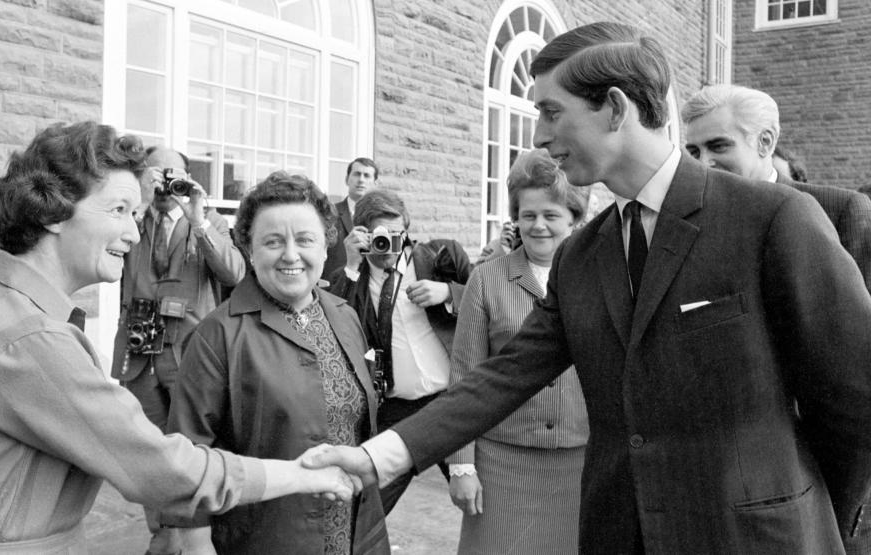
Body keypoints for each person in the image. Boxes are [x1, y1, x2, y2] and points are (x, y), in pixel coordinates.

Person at [304, 21, 871, 554]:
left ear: (616, 108)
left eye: (552, 112)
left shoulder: (771, 220)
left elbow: (853, 396)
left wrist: (813, 516)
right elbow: (505, 376)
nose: (539, 135)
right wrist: (381, 455)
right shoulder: (583, 255)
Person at [0, 122, 356, 554]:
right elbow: (163, 470)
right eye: (120, 210)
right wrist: (303, 475)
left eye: (136, 213)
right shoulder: (28, 338)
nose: (133, 231)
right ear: (51, 212)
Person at [164, 172, 390, 554]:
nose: (290, 254)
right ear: (249, 250)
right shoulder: (217, 335)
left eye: (305, 240)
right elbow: (186, 458)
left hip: (358, 535)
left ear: (325, 248)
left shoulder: (345, 316)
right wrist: (195, 542)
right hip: (267, 538)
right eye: (272, 241)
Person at [447, 149, 589, 554]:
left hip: (579, 463)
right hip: (500, 463)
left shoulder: (598, 277)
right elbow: (465, 375)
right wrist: (461, 464)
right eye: (528, 215)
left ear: (573, 219)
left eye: (551, 215)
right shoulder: (487, 279)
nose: (538, 225)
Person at [109, 146, 246, 554]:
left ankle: (194, 533)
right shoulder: (131, 217)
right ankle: (163, 536)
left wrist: (198, 220)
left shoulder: (209, 220)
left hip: (190, 351)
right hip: (140, 352)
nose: (167, 183)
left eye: (175, 174)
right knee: (148, 449)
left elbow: (234, 272)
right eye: (157, 173)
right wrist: (139, 202)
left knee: (193, 446)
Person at [327, 189, 471, 514]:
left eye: (398, 234)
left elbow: (487, 294)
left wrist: (448, 292)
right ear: (362, 232)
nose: (391, 244)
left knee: (483, 500)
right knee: (366, 510)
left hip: (451, 401)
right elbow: (335, 326)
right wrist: (351, 266)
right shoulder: (352, 278)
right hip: (396, 409)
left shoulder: (439, 258)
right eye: (382, 235)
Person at [681, 83, 871, 291]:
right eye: (694, 152)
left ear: (765, 142)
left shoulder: (840, 210)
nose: (703, 163)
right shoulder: (689, 220)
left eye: (718, 147)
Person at [323, 157, 379, 279]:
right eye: (357, 174)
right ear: (347, 179)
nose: (361, 180)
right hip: (335, 287)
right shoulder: (329, 213)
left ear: (375, 184)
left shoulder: (381, 219)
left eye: (367, 176)